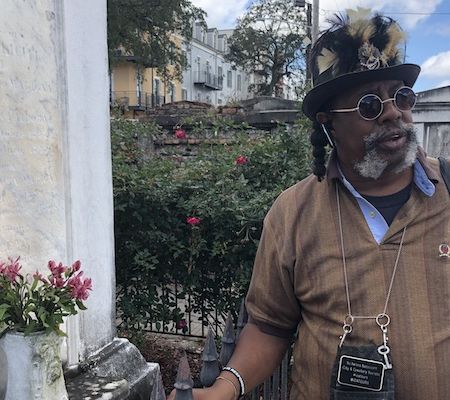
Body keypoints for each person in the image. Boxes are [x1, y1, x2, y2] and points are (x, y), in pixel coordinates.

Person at [169, 9, 450, 400]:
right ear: (328, 121)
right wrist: (224, 389)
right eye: (369, 104)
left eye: (400, 96)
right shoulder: (293, 214)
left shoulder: (448, 193)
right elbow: (269, 326)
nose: (392, 112)